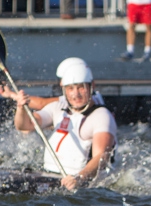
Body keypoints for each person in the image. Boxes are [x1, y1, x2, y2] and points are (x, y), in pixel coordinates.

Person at [9, 59, 117, 191]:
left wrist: (79, 178)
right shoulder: (57, 107)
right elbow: (24, 126)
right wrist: (20, 108)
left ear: (92, 86)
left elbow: (101, 157)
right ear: (64, 89)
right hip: (50, 175)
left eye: (81, 87)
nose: (76, 94)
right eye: (70, 88)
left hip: (80, 183)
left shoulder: (101, 116)